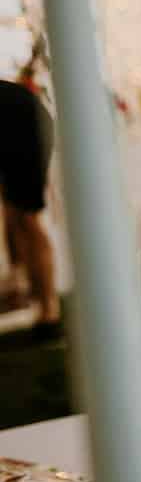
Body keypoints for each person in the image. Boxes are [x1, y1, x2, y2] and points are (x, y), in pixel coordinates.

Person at [0, 75, 58, 332]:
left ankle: (49, 308)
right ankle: (21, 288)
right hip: (13, 127)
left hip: (25, 127)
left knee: (27, 218)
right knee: (13, 211)